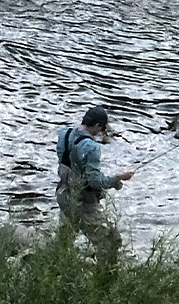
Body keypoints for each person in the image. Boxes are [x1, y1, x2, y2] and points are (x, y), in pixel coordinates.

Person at [56, 105, 134, 255]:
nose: (102, 133)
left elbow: (71, 165)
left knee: (64, 240)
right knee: (111, 241)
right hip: (84, 203)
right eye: (102, 129)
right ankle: (106, 277)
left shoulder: (64, 134)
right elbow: (95, 181)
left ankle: (57, 271)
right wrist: (119, 178)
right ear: (97, 125)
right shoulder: (91, 147)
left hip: (64, 195)